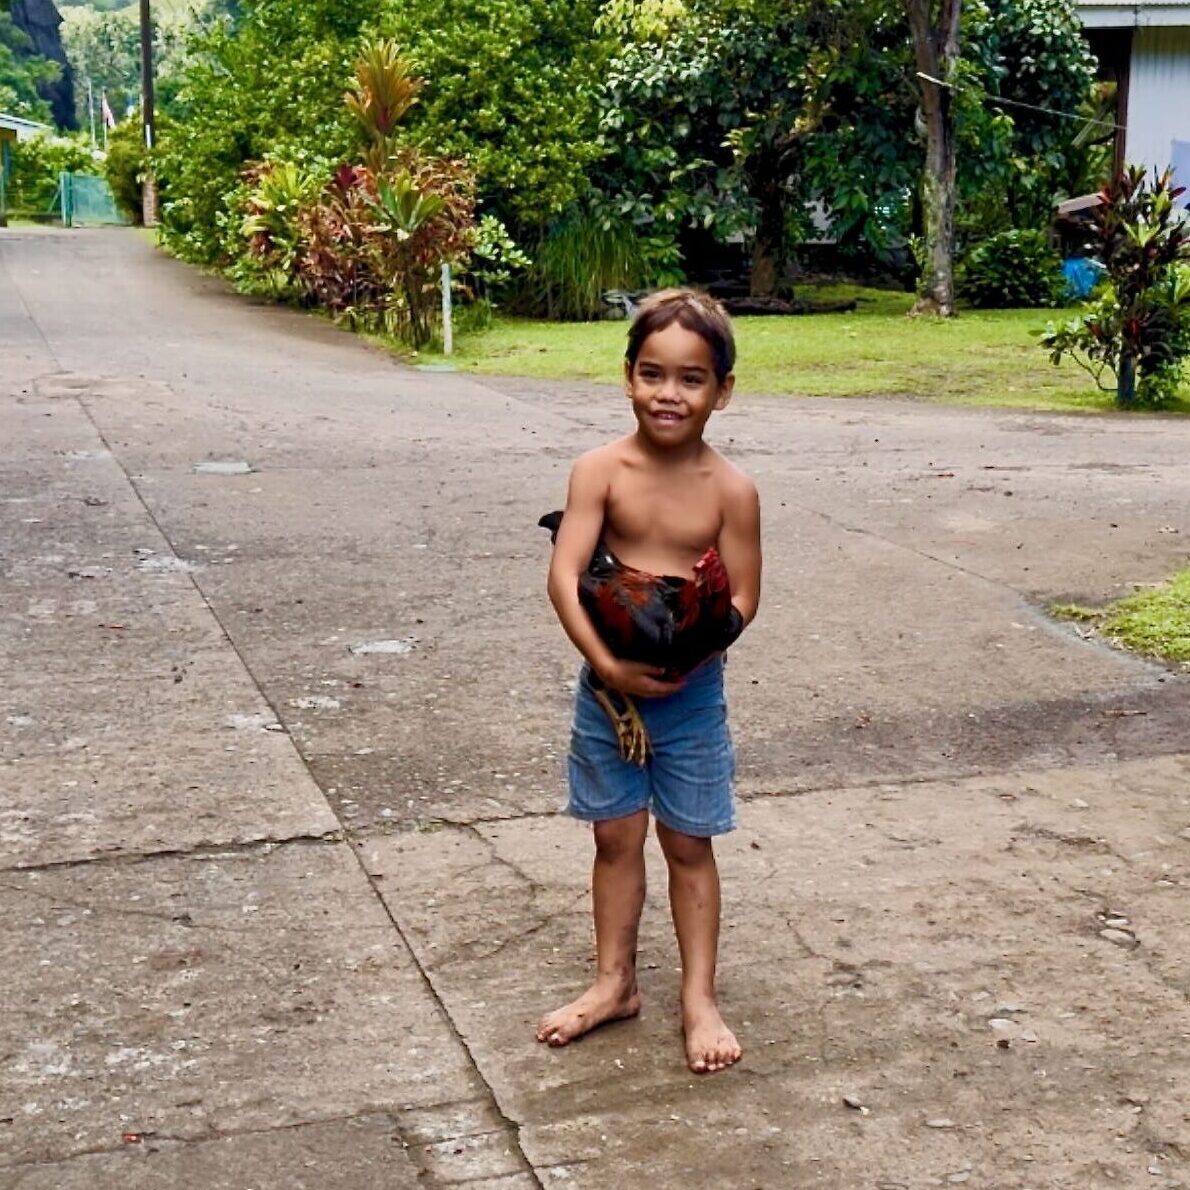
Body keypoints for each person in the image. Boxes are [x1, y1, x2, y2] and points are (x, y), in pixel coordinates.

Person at [537, 288, 762, 1074]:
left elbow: (742, 596)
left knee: (689, 841)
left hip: (691, 692)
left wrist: (687, 661)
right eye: (654, 374)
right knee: (613, 835)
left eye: (691, 379)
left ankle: (699, 998)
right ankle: (614, 984)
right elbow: (565, 575)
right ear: (629, 376)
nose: (671, 394)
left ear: (721, 390)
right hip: (606, 687)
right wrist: (607, 664)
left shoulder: (731, 490)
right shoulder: (599, 471)